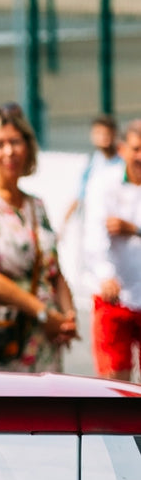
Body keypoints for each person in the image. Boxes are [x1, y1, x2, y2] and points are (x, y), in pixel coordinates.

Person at [0, 106, 77, 373]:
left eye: (15, 142)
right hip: (5, 340)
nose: (9, 151)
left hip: (46, 338)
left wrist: (68, 317)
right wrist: (42, 312)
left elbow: (54, 271)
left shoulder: (36, 204)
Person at [86, 119, 141, 381]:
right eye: (136, 149)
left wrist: (134, 229)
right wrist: (105, 274)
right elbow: (94, 231)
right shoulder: (104, 182)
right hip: (114, 296)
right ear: (123, 150)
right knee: (114, 382)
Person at [63, 113, 122, 230]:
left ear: (114, 134)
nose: (103, 137)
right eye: (98, 133)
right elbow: (80, 194)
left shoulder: (123, 163)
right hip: (95, 229)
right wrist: (65, 223)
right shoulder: (92, 163)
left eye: (106, 133)